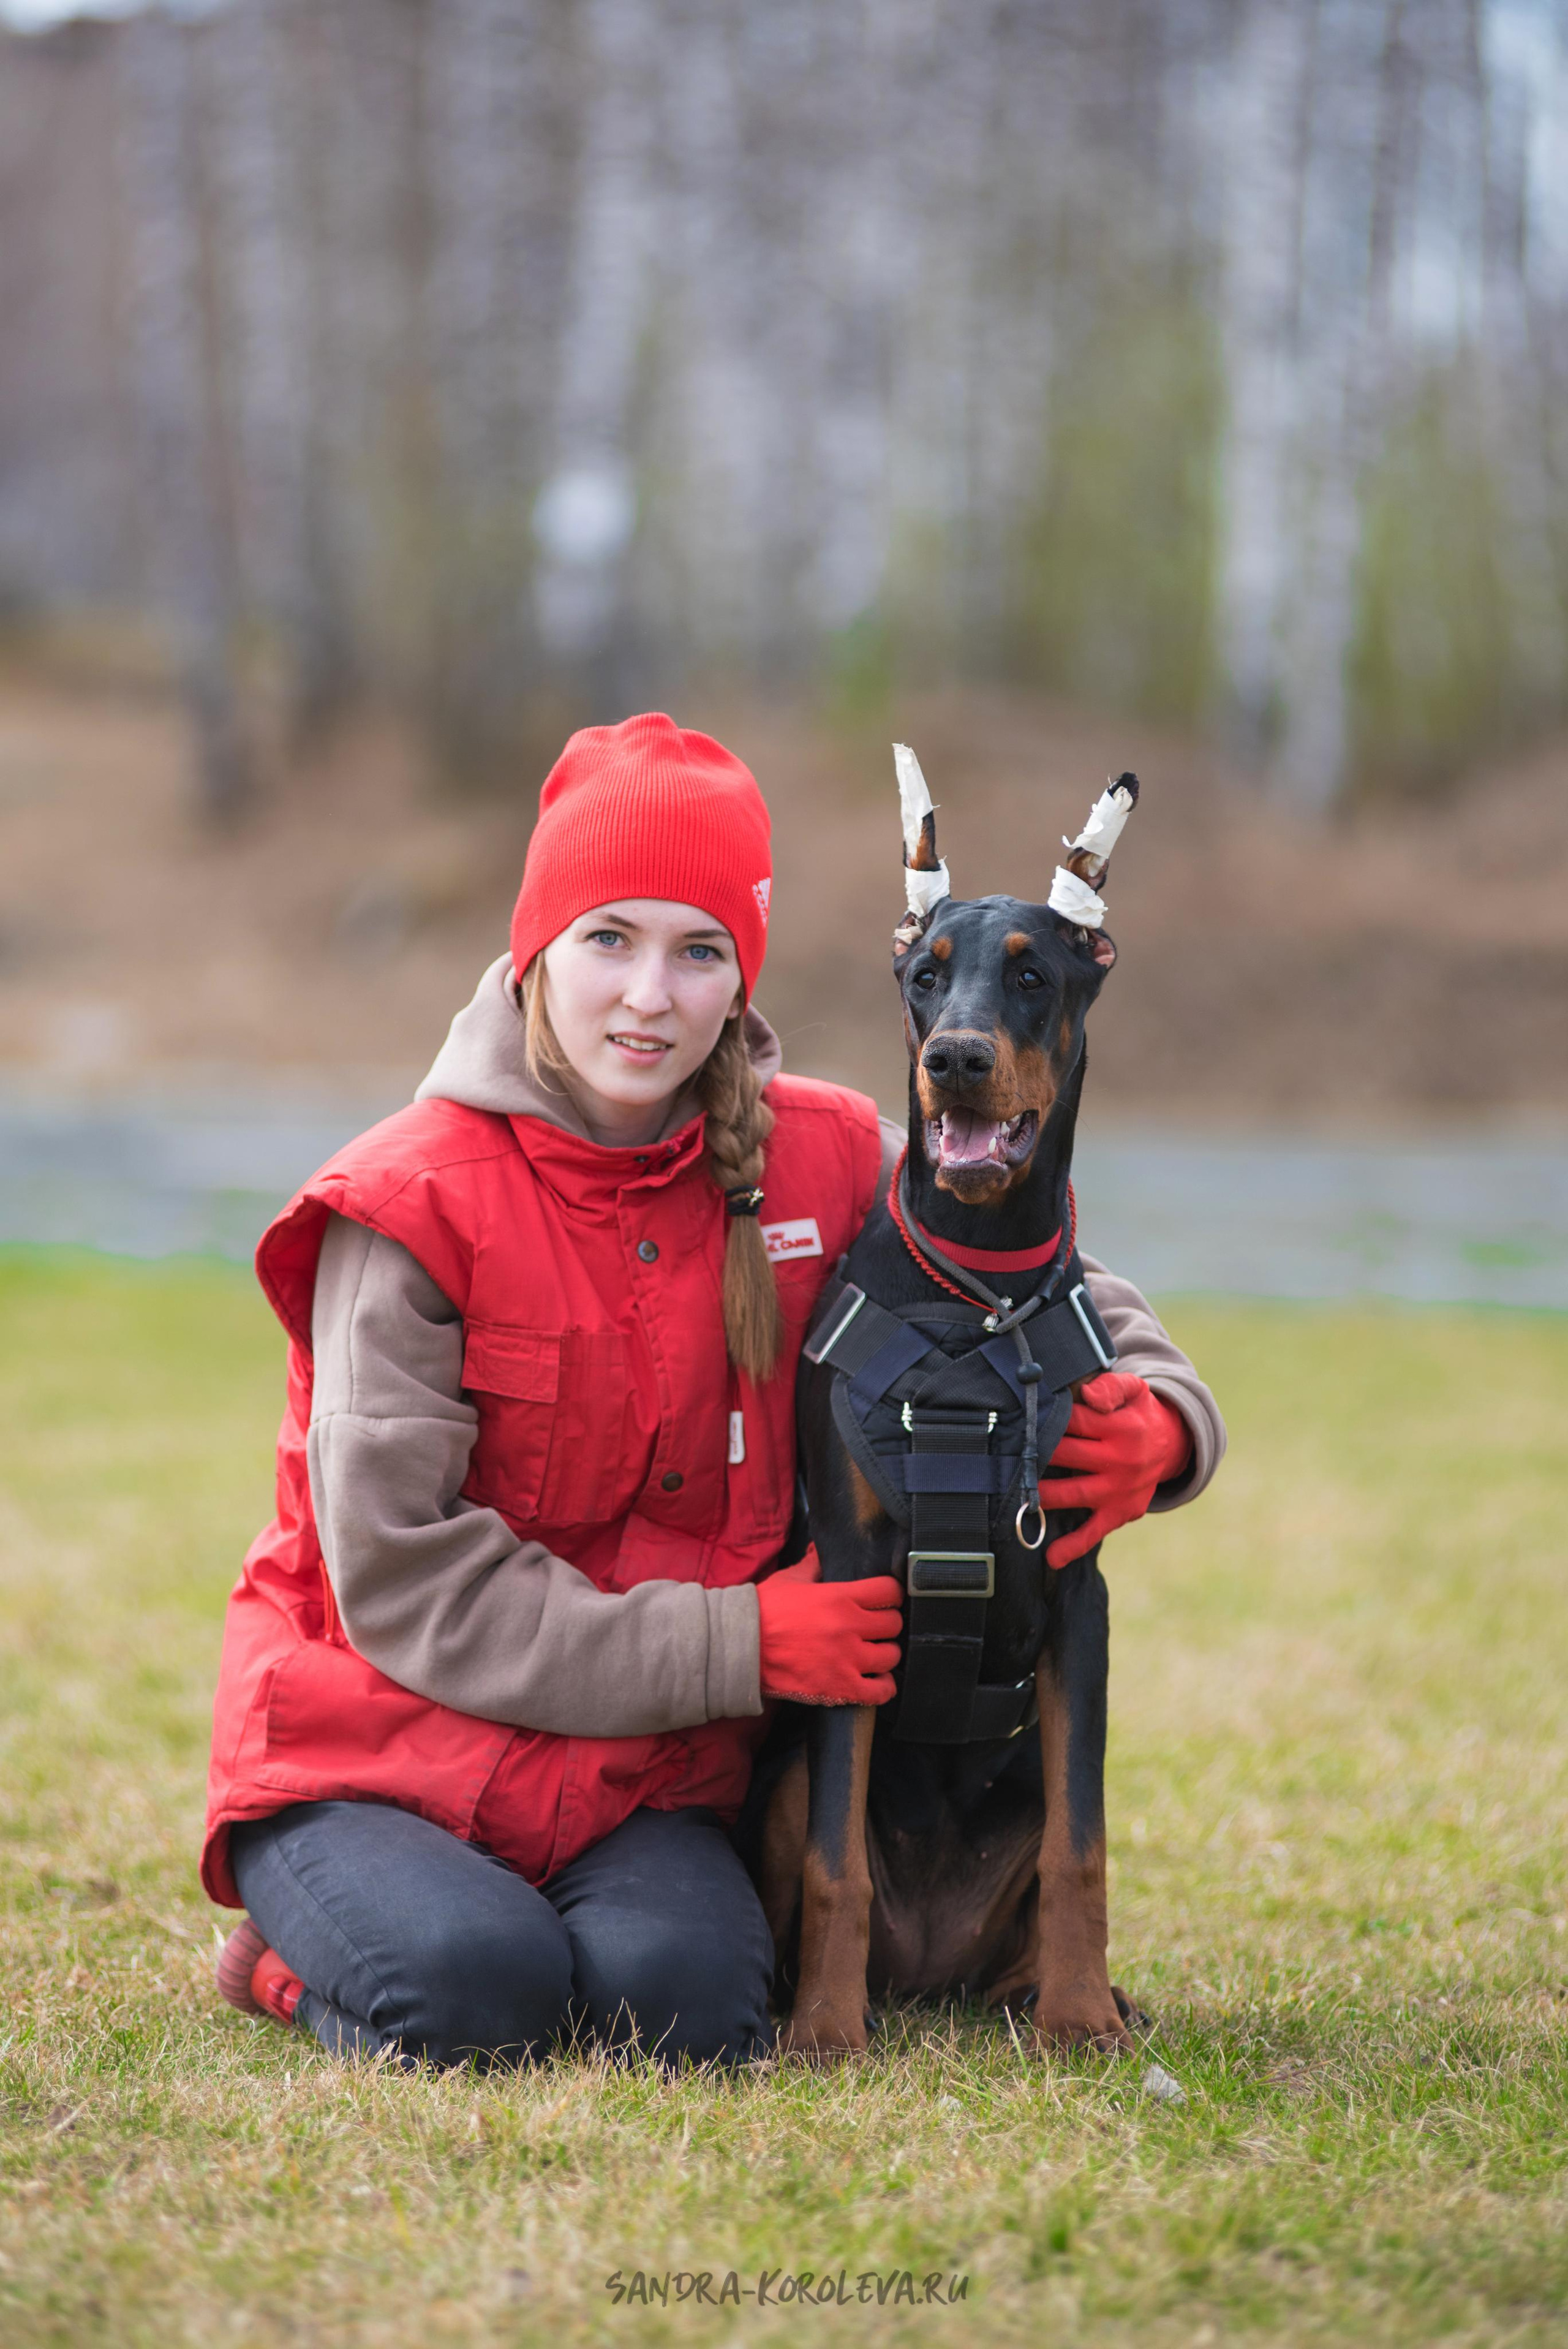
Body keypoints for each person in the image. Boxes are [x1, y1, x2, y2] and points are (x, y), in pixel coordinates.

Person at [203, 713, 1223, 2070]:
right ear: (534, 952)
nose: (648, 995)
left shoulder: (818, 1155)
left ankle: (517, 1932)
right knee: (473, 1994)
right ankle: (292, 1950)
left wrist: (1162, 1413)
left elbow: (1037, 1276)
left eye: (698, 952)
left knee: (684, 2014)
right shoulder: (405, 1205)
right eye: (606, 940)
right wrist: (740, 1648)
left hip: (632, 1784)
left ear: (741, 976)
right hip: (377, 1756)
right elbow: (402, 1583)